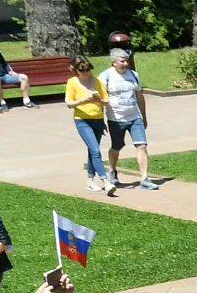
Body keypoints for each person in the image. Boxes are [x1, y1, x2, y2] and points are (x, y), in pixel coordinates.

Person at [99, 49, 155, 191]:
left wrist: (144, 117)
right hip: (116, 119)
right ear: (114, 62)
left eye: (126, 61)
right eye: (122, 61)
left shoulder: (133, 75)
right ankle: (112, 170)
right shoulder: (105, 76)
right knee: (116, 147)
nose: (125, 64)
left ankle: (144, 178)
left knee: (141, 145)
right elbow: (100, 100)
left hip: (134, 117)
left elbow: (140, 97)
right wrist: (101, 120)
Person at [64, 58, 116, 195]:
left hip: (97, 119)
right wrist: (84, 100)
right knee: (95, 150)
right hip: (82, 120)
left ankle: (90, 180)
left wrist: (99, 101)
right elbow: (69, 103)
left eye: (88, 69)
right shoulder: (72, 82)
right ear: (75, 70)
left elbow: (106, 101)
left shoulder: (97, 81)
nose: (86, 72)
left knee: (92, 151)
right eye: (82, 70)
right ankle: (105, 181)